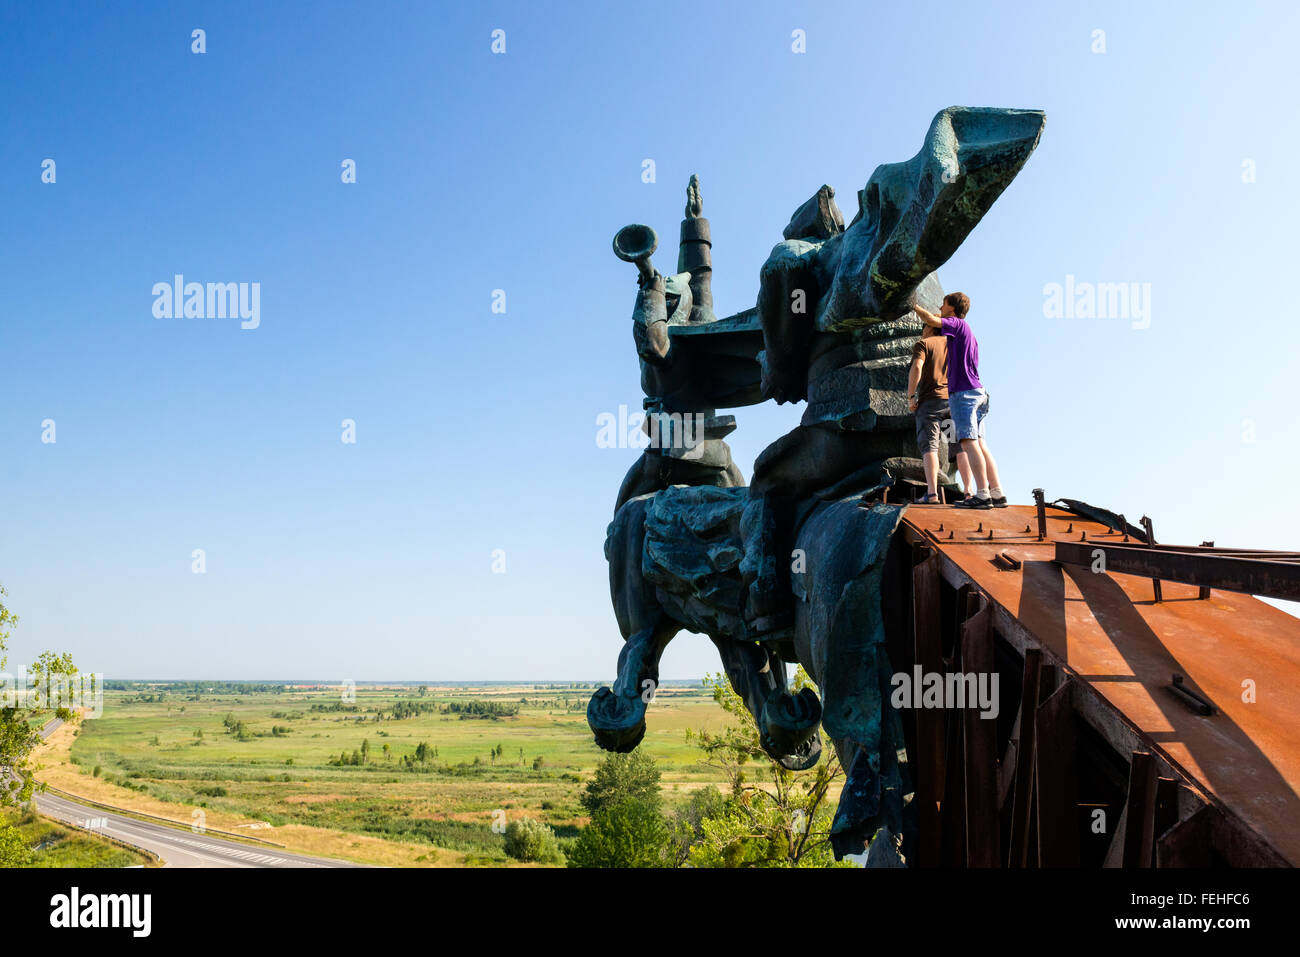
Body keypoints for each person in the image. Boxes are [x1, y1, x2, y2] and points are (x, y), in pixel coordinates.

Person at [914, 292, 1007, 508]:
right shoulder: (970, 334)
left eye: (943, 305)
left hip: (964, 394)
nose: (940, 307)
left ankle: (982, 495)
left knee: (968, 443)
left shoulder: (956, 324)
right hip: (979, 392)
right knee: (981, 444)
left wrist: (914, 307)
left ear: (952, 310)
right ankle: (997, 493)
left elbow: (931, 320)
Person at [907, 322, 951, 503]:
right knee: (961, 445)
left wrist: (911, 396)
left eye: (925, 326)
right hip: (953, 403)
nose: (922, 330)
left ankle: (932, 494)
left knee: (930, 448)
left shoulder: (924, 344)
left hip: (931, 403)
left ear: (931, 327)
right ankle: (970, 492)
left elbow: (917, 367)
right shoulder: (954, 344)